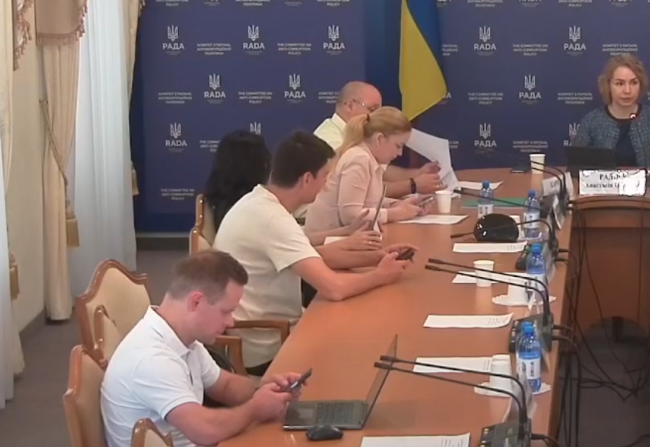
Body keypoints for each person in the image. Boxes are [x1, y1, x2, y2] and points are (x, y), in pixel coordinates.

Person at [214, 131, 415, 374]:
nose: (327, 185)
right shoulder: (273, 220)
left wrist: (378, 257)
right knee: (368, 338)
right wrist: (381, 275)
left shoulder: (258, 201)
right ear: (307, 179)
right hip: (270, 348)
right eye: (326, 176)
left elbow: (314, 257)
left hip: (267, 334)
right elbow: (334, 288)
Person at [101, 250, 303, 447]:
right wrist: (256, 408)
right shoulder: (151, 359)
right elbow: (204, 430)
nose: (230, 322)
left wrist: (266, 389)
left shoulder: (185, 339)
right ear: (196, 301)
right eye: (226, 311)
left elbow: (225, 386)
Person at [203, 129, 380, 251]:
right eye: (325, 175)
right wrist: (349, 243)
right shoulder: (269, 216)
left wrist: (346, 233)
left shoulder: (253, 203)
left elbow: (298, 241)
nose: (326, 185)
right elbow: (321, 270)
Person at [306, 107, 429, 234]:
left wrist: (398, 205)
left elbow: (369, 201)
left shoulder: (372, 159)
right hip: (327, 239)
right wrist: (395, 213)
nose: (400, 153)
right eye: (398, 146)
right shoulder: (359, 159)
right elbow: (351, 216)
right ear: (379, 139)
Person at [315, 81, 442, 196]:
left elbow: (382, 172)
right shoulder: (328, 140)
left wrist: (418, 174)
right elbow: (364, 191)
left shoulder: (363, 136)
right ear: (349, 106)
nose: (377, 117)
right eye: (373, 109)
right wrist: (412, 185)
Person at [570, 54, 650, 167]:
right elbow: (575, 165)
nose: (627, 91)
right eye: (620, 83)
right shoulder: (592, 121)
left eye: (634, 83)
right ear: (608, 85)